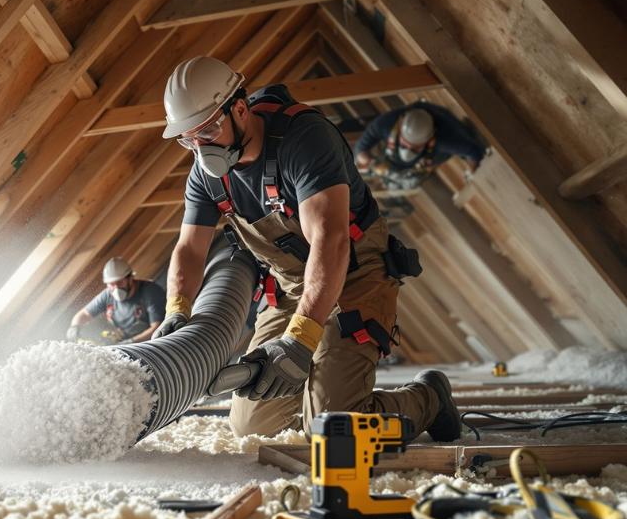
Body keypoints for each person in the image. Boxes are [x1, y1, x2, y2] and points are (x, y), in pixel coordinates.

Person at [153, 56, 460, 442]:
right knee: (253, 426)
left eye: (209, 130)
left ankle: (429, 398)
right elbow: (189, 249)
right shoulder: (205, 176)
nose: (200, 147)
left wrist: (300, 339)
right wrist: (177, 310)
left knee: (335, 430)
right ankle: (322, 406)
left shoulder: (304, 140)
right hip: (289, 285)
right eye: (188, 139)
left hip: (353, 275)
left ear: (240, 109)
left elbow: (331, 241)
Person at [354, 102, 487, 190]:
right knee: (394, 163)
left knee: (462, 141)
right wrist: (369, 161)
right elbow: (361, 147)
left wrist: (473, 172)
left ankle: (464, 131)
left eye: (415, 147)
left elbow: (473, 151)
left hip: (444, 125)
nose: (408, 150)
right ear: (400, 129)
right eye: (404, 144)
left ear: (429, 138)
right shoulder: (385, 124)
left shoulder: (443, 139)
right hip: (417, 113)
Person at [66, 257, 166, 344]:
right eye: (112, 284)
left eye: (120, 282)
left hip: (152, 342)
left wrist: (131, 342)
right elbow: (84, 314)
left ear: (130, 278)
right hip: (125, 340)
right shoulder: (107, 295)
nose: (116, 288)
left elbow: (157, 328)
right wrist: (75, 327)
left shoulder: (151, 292)